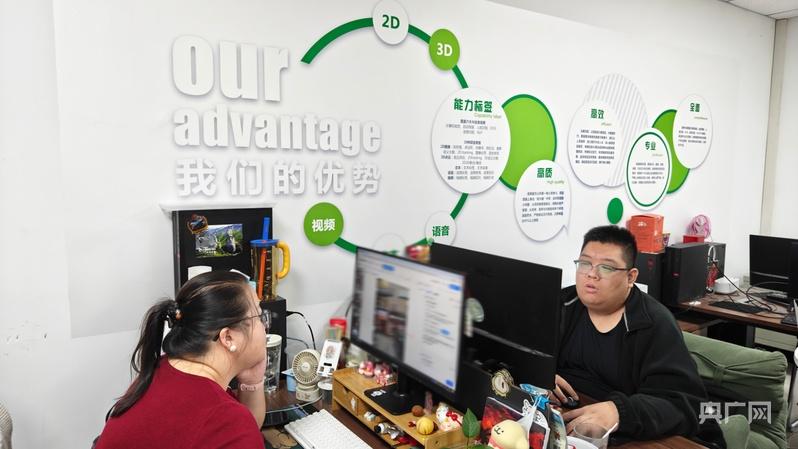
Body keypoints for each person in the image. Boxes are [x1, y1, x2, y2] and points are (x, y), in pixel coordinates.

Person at [553, 225, 722, 445]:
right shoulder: (562, 304)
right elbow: (524, 351)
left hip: (633, 433)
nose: (591, 274)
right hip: (568, 422)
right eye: (585, 263)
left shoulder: (655, 324)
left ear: (631, 277)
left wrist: (620, 412)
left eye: (606, 267)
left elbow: (685, 405)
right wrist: (541, 374)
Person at [94, 271, 268, 449]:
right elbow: (238, 433)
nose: (265, 326)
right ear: (228, 337)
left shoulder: (164, 368)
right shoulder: (224, 418)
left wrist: (252, 381)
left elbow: (244, 432)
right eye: (260, 316)